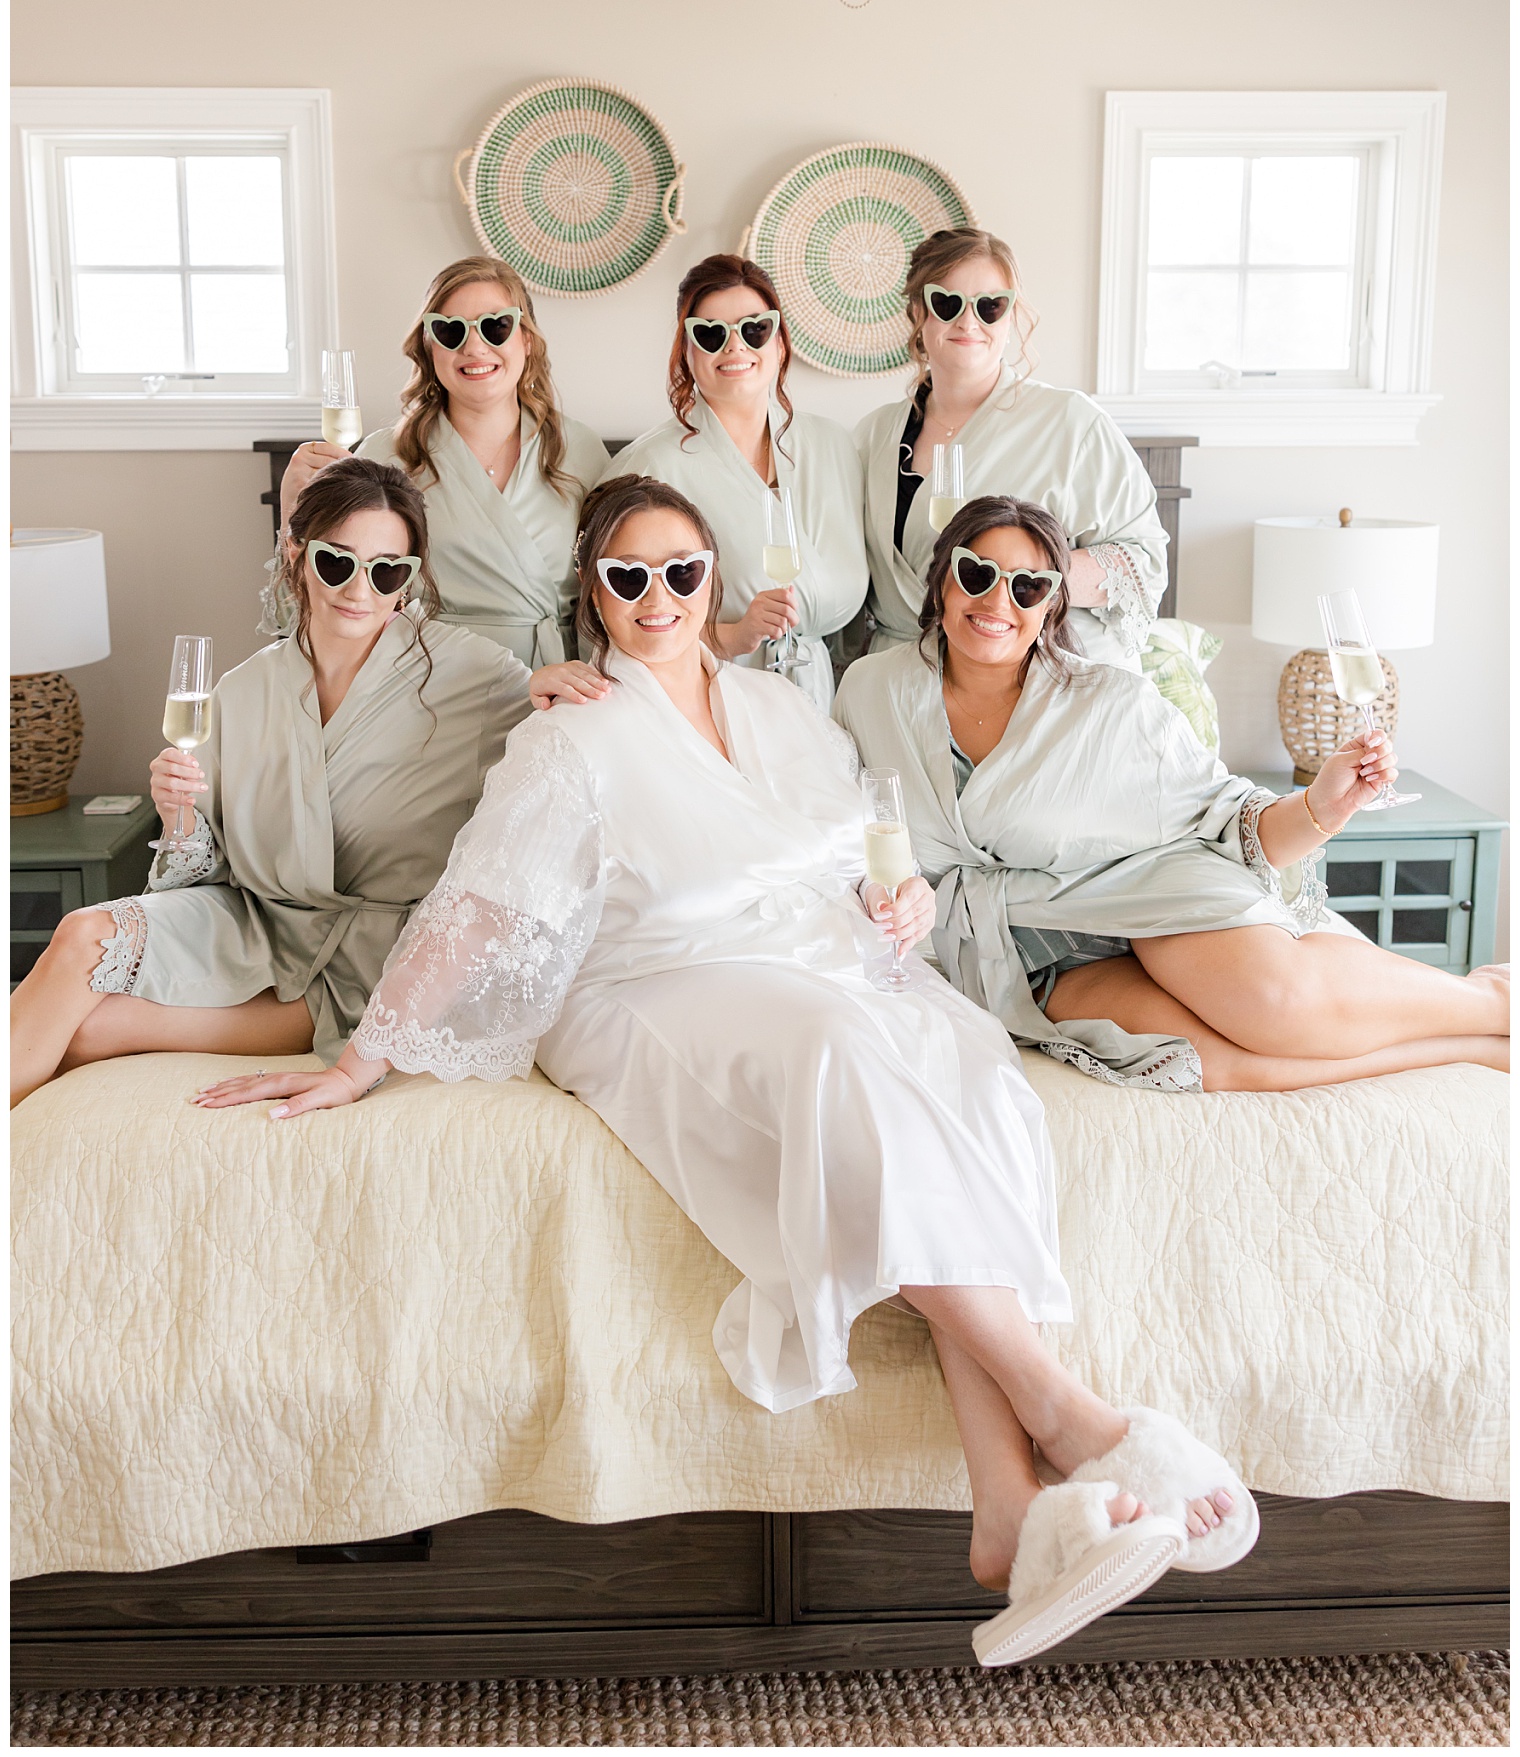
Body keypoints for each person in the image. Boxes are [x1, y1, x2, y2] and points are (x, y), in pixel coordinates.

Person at [195, 473, 1256, 1667]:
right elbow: (475, 910)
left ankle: (1005, 1514)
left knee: (956, 1058)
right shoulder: (567, 734)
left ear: (714, 578)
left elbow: (857, 848)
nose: (659, 598)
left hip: (815, 961)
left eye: (681, 572)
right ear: (592, 592)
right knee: (843, 1050)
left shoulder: (784, 706)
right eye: (628, 576)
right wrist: (360, 1058)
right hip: (648, 981)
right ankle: (1070, 1411)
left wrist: (892, 901)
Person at [834, 495, 1510, 1093]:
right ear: (942, 580)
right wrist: (882, 892)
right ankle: (1476, 1049)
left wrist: (1324, 805)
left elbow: (1228, 815)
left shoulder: (1109, 703)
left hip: (1148, 895)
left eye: (1028, 585)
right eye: (977, 573)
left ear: (1051, 605)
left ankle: (1494, 1001)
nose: (997, 603)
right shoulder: (870, 692)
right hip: (1020, 951)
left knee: (1282, 1008)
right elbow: (837, 834)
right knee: (1210, 1060)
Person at [11, 457, 604, 1109]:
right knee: (77, 935)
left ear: (408, 580)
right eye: (336, 561)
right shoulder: (240, 692)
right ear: (296, 553)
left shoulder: (478, 677)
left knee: (91, 1029)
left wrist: (558, 691)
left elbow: (579, 751)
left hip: (361, 967)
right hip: (252, 928)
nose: (360, 588)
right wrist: (178, 814)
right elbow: (206, 872)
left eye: (386, 570)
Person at [857, 229, 1166, 670]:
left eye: (989, 306)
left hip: (1035, 680)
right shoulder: (873, 437)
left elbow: (1144, 561)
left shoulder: (1071, 422)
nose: (968, 322)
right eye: (947, 303)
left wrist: (1018, 584)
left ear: (1010, 317)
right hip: (904, 680)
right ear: (917, 313)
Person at [277, 256, 608, 666]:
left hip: (553, 685)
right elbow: (324, 601)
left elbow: (611, 595)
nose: (473, 346)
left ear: (526, 339)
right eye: (450, 330)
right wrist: (291, 510)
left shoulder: (581, 452)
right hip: (426, 682)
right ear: (430, 346)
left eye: (495, 326)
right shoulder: (385, 457)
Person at [606, 255, 867, 711]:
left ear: (780, 343)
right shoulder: (649, 467)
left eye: (754, 329)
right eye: (709, 334)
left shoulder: (835, 447)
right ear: (686, 352)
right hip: (709, 701)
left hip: (827, 704)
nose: (734, 347)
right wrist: (732, 636)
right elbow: (615, 618)